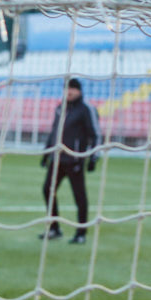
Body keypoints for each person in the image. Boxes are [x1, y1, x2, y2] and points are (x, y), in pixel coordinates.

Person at [39, 77, 100, 245]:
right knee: (47, 191)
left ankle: (81, 233)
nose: (69, 92)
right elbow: (54, 132)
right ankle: (54, 228)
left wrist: (93, 157)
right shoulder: (60, 108)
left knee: (79, 197)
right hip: (57, 160)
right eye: (66, 89)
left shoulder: (86, 109)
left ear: (79, 91)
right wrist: (46, 153)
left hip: (75, 161)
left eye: (72, 89)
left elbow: (95, 135)